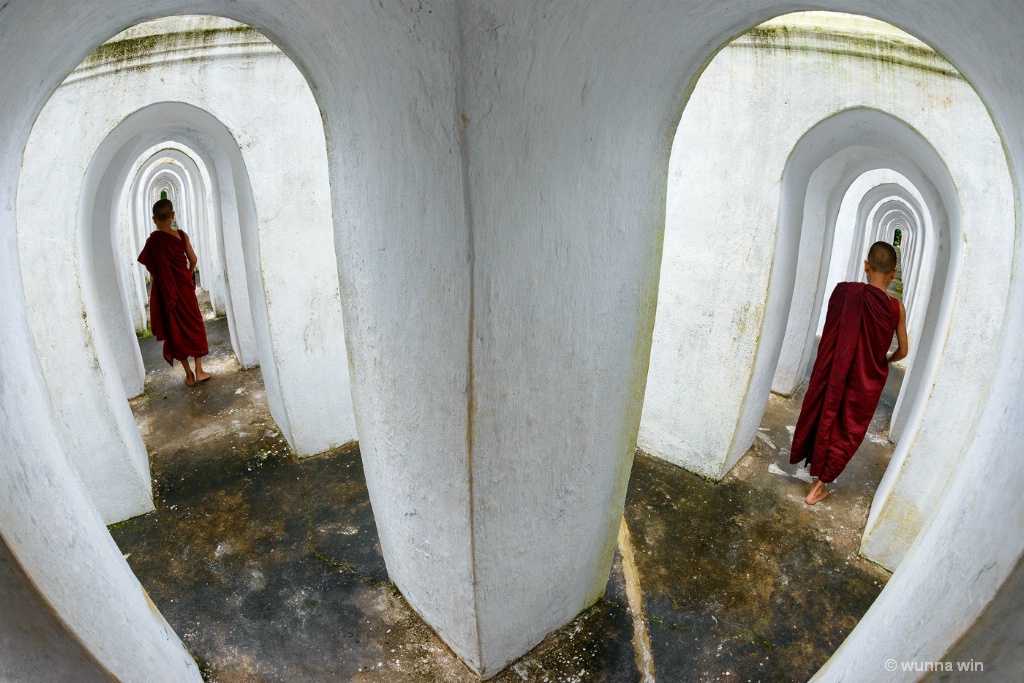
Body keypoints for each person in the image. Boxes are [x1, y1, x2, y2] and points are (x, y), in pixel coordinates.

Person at [789, 241, 908, 505]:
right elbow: (903, 350)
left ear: (866, 266)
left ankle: (815, 462)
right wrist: (885, 360)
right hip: (866, 377)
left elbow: (832, 331)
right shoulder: (896, 308)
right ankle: (819, 486)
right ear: (893, 274)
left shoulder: (844, 292)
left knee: (827, 411)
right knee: (849, 427)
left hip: (837, 369)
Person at [138, 198, 211, 386]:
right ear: (173, 216)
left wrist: (164, 278)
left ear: (154, 220)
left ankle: (188, 374)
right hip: (184, 289)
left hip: (166, 292)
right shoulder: (181, 235)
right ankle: (200, 370)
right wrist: (187, 273)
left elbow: (151, 266)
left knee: (175, 329)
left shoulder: (153, 241)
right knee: (194, 324)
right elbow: (193, 259)